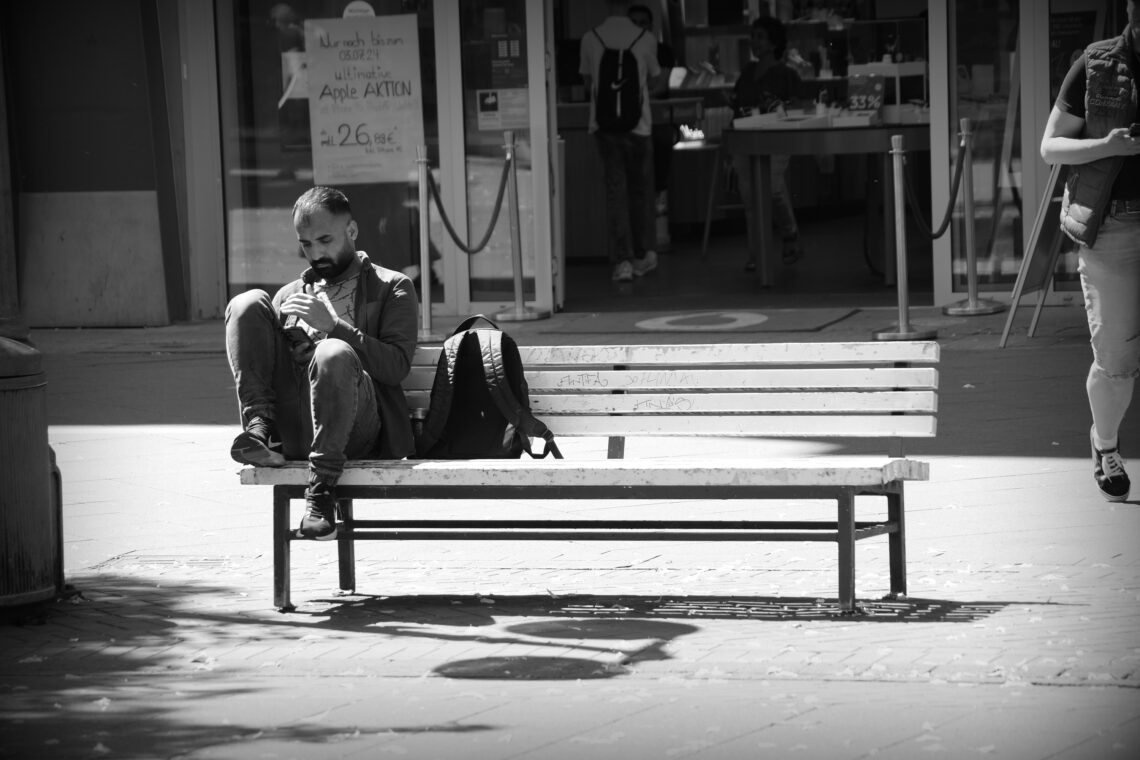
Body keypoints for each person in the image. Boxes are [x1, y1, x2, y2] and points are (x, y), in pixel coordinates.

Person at [225, 187, 419, 538]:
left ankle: (320, 493)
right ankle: (259, 430)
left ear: (352, 231)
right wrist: (294, 353)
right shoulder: (290, 295)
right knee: (246, 303)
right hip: (294, 423)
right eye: (306, 244)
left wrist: (333, 329)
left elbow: (396, 366)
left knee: (332, 353)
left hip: (355, 430)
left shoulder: (392, 286)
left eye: (325, 239)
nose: (315, 253)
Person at [1040, 0, 1140, 502]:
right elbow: (1050, 147)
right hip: (1117, 225)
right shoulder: (1097, 63)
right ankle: (1105, 443)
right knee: (1117, 359)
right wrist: (1109, 146)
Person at [579, 0, 662, 283]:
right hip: (639, 125)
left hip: (604, 126)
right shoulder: (646, 38)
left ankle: (623, 261)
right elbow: (653, 81)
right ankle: (640, 256)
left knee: (616, 192)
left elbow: (588, 84)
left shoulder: (590, 38)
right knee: (639, 191)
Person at [731, 16, 805, 271]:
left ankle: (789, 231)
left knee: (773, 188)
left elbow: (798, 106)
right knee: (750, 198)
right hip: (746, 137)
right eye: (753, 36)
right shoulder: (748, 72)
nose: (754, 42)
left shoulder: (786, 74)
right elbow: (738, 104)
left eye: (760, 37)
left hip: (776, 138)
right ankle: (756, 254)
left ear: (774, 43)